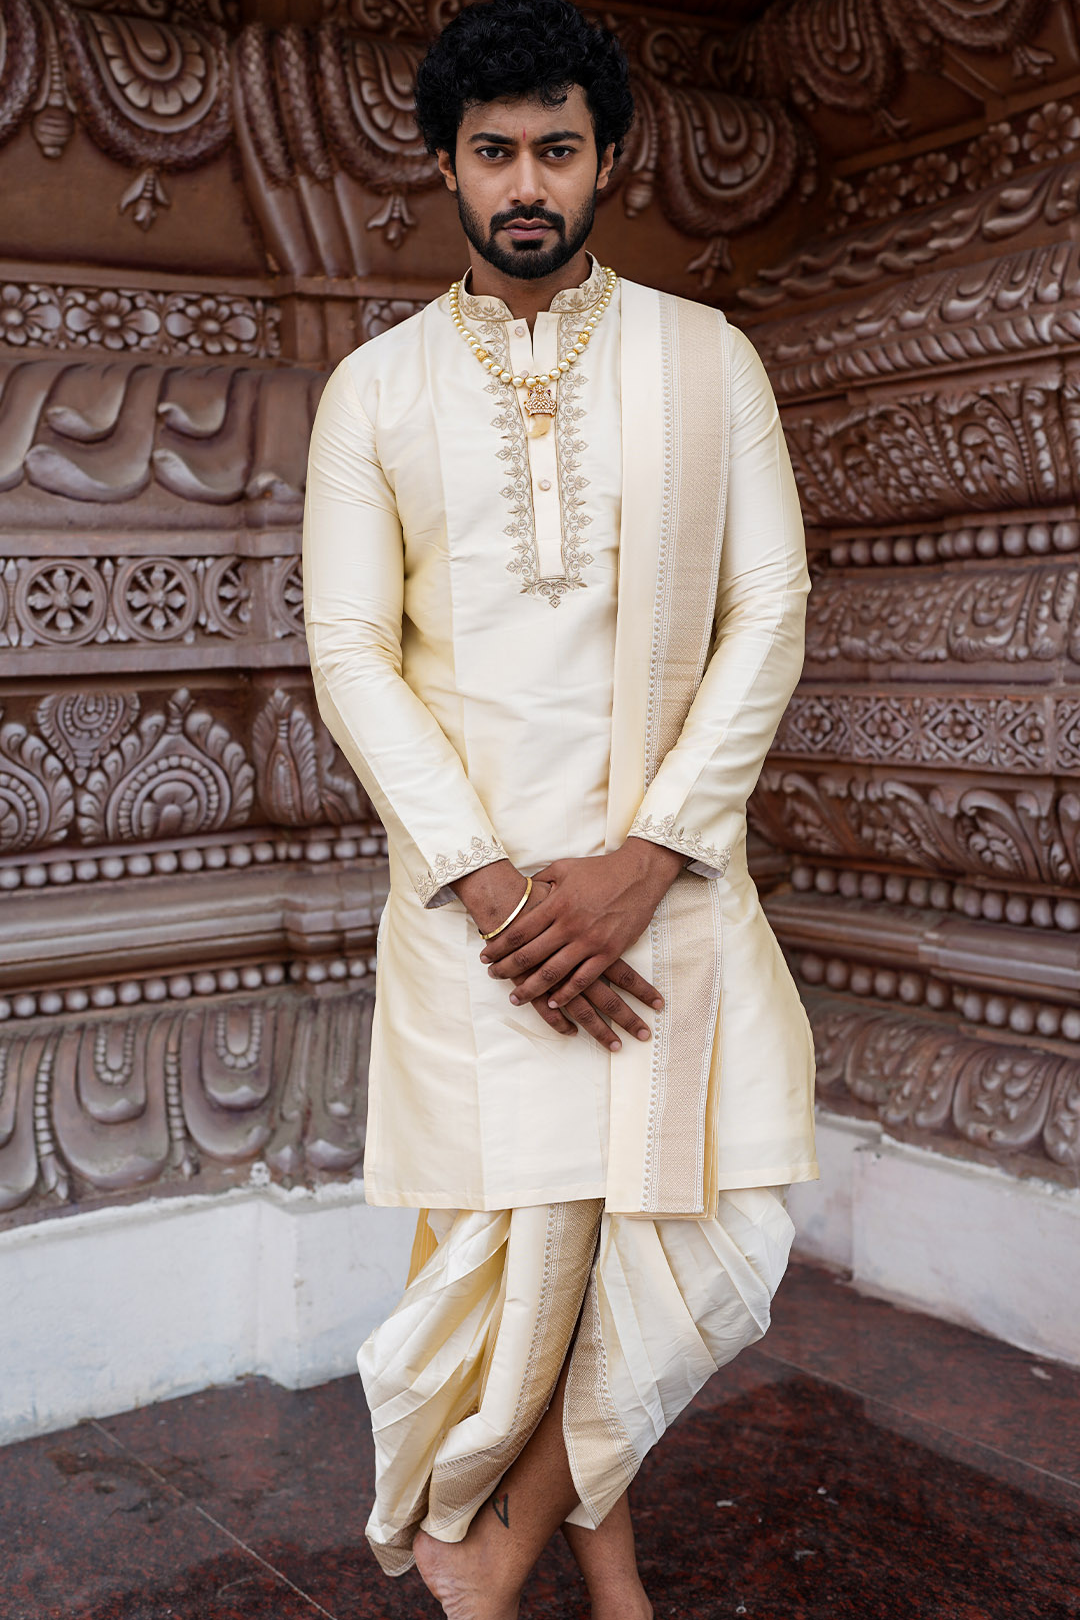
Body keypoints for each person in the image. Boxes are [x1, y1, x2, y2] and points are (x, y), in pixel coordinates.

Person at [302, 1, 818, 1613]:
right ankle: (593, 1586)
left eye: (558, 149)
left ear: (609, 161)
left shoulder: (703, 356)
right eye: (496, 151)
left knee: (670, 1253)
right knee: (532, 1269)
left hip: (662, 898)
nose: (528, 181)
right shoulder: (374, 395)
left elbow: (773, 610)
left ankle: (488, 1558)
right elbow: (348, 654)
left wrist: (644, 857)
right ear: (444, 165)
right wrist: (498, 888)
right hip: (480, 932)